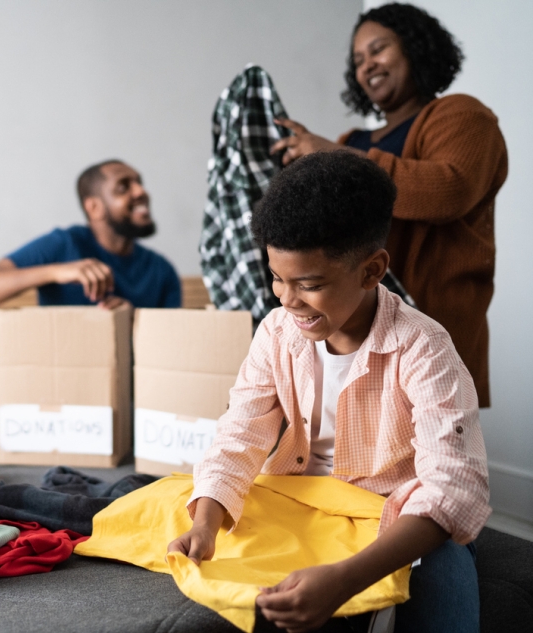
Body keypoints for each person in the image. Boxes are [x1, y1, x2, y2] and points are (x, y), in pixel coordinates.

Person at [167, 152, 489, 633]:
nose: (287, 299)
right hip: (301, 500)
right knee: (175, 504)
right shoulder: (277, 332)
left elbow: (452, 488)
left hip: (387, 511)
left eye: (309, 284)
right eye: (277, 277)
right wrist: (206, 523)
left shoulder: (425, 348)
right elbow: (240, 433)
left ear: (371, 270)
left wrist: (344, 579)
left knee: (447, 575)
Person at [269, 2, 508, 407]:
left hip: (432, 320)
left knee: (429, 449)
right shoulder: (354, 140)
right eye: (358, 60)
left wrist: (336, 157)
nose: (367, 66)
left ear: (416, 48)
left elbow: (448, 191)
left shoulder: (462, 115)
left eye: (378, 49)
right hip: (355, 324)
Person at [0, 160, 181, 309]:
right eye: (124, 188)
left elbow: (171, 349)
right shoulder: (63, 244)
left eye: (139, 184)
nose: (141, 192)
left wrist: (133, 322)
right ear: (94, 208)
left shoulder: (162, 270)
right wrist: (56, 271)